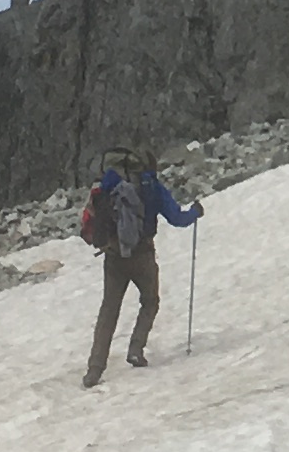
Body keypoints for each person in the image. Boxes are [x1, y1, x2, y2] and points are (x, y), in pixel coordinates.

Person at [83, 147, 202, 385]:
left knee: (109, 309)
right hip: (142, 254)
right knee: (150, 300)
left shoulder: (110, 184)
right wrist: (195, 212)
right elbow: (177, 218)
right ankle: (136, 349)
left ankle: (95, 369)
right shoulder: (151, 187)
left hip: (114, 254)